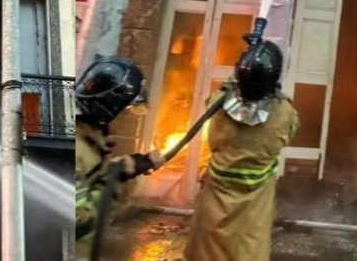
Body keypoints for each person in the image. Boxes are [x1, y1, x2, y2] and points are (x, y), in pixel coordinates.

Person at [184, 37, 299, 261]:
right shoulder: (285, 114)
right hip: (253, 213)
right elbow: (290, 124)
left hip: (213, 205)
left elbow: (220, 93)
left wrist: (246, 69)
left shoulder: (218, 105)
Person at [75, 56, 163, 260]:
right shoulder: (78, 150)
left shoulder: (89, 138)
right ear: (109, 109)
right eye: (124, 111)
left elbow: (94, 178)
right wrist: (119, 176)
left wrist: (133, 165)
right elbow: (79, 220)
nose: (125, 117)